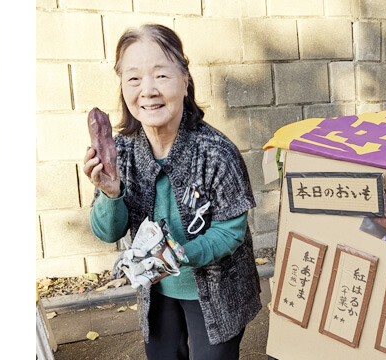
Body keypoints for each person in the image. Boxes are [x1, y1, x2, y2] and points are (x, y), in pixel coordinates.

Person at [84, 24, 261, 359]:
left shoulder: (217, 152)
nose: (147, 90)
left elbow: (230, 232)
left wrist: (178, 256)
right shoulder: (121, 152)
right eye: (134, 78)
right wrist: (111, 193)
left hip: (217, 290)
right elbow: (107, 232)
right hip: (156, 291)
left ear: (184, 80)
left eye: (161, 76)